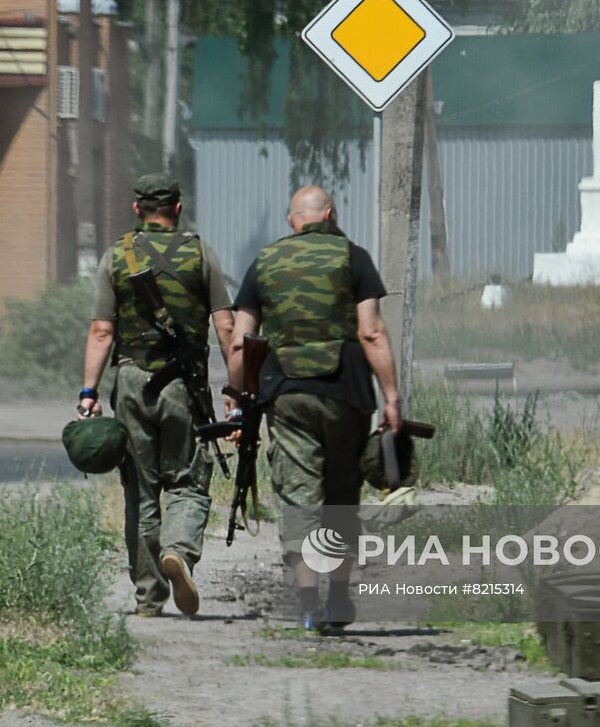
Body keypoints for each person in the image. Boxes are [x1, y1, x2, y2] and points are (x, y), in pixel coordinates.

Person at [228, 185, 402, 632]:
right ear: (331, 214)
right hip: (345, 391)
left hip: (286, 393)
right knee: (342, 493)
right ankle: (339, 599)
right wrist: (392, 397)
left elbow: (239, 342)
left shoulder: (264, 262)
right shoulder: (353, 257)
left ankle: (308, 605)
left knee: (298, 495)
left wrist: (237, 398)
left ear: (293, 221)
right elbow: (371, 333)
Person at [78, 173, 235, 617]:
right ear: (177, 209)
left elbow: (101, 330)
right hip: (185, 388)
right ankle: (179, 552)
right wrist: (237, 393)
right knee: (186, 481)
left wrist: (88, 392)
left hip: (131, 381)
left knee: (141, 490)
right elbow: (226, 327)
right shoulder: (202, 254)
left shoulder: (116, 257)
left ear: (137, 210)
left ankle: (149, 597)